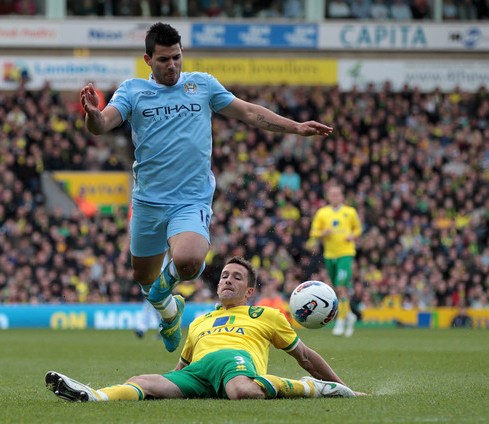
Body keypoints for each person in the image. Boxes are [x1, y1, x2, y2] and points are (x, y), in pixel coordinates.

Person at [79, 22, 333, 352]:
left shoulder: (202, 85)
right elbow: (102, 125)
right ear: (148, 59)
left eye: (176, 57)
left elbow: (249, 112)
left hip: (191, 199)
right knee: (143, 275)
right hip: (148, 202)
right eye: (163, 60)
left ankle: (162, 293)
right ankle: (170, 311)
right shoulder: (132, 91)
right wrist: (92, 114)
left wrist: (296, 127)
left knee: (188, 260)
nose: (171, 65)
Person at [46, 256, 365, 402]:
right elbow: (180, 369)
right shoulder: (199, 321)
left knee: (240, 390)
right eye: (225, 275)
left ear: (249, 291)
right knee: (142, 381)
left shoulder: (266, 314)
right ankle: (93, 396)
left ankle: (314, 388)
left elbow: (305, 356)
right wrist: (165, 384)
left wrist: (343, 385)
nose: (228, 279)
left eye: (237, 277)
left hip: (236, 363)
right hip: (199, 373)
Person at [309, 185, 362, 337]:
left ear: (342, 196)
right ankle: (350, 315)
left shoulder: (350, 212)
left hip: (345, 253)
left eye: (337, 193)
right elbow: (313, 232)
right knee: (337, 287)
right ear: (328, 196)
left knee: (340, 286)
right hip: (329, 254)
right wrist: (321, 233)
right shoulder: (322, 213)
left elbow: (358, 228)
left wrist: (353, 235)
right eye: (332, 194)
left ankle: (341, 320)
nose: (335, 196)